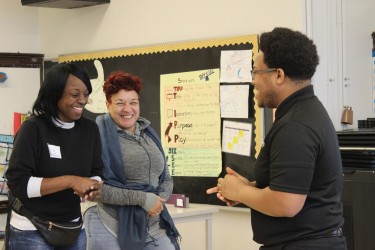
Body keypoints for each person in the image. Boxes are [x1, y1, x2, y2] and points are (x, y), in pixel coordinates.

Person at [207, 27, 347, 250]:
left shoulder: (295, 125)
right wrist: (251, 188)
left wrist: (241, 191)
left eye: (256, 73)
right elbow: (298, 186)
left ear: (278, 75)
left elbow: (286, 203)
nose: (253, 81)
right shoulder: (306, 111)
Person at [5, 62, 103, 250]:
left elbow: (96, 171)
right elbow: (18, 184)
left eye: (85, 94)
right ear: (54, 94)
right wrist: (70, 181)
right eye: (75, 95)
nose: (82, 100)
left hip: (73, 227)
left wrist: (94, 186)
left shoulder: (90, 129)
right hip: (31, 228)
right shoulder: (33, 129)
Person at [84, 71, 180, 250]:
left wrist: (158, 202)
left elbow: (165, 177)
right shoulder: (96, 137)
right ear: (108, 104)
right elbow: (91, 190)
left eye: (133, 103)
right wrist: (143, 199)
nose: (127, 109)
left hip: (152, 223)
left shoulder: (148, 133)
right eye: (120, 103)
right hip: (110, 224)